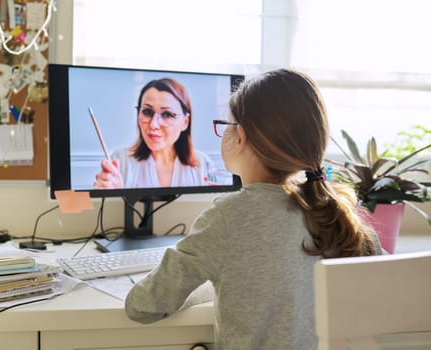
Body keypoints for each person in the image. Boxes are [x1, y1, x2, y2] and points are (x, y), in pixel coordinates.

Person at [125, 69, 383, 349]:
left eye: (226, 124)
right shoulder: (333, 212)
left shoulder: (226, 219)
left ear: (240, 136)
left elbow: (142, 305)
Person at [93, 78, 215, 189]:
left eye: (167, 114)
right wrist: (110, 195)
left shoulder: (203, 164)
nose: (153, 125)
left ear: (185, 122)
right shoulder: (121, 160)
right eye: (147, 112)